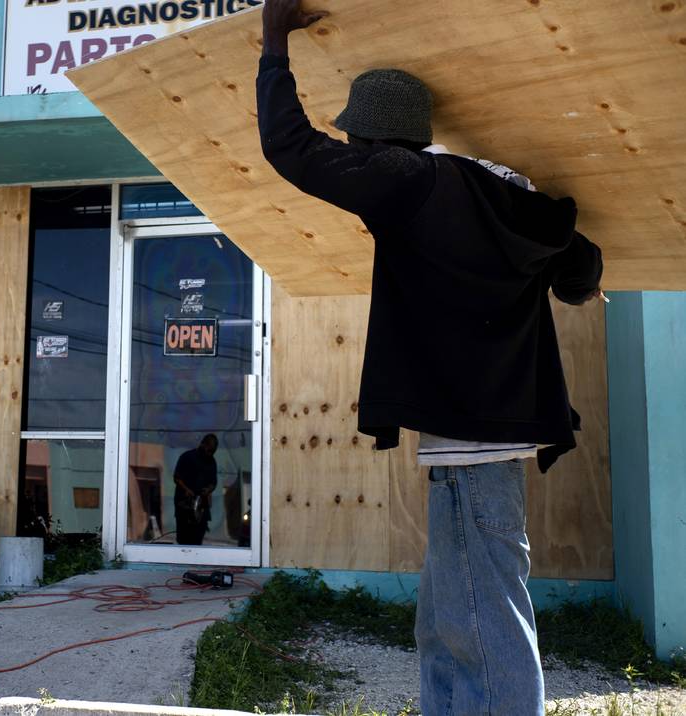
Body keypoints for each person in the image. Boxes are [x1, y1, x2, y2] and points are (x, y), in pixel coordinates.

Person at [256, 2, 604, 713]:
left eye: (357, 135)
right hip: (484, 437)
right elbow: (581, 274)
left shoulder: (405, 178)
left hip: (470, 440)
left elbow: (291, 148)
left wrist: (273, 37)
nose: (351, 146)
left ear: (380, 138)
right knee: (449, 619)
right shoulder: (505, 191)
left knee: (484, 614)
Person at [172, 434, 218, 545]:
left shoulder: (212, 462)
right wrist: (187, 490)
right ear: (202, 444)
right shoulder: (187, 457)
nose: (210, 454)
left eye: (213, 451)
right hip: (185, 506)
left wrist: (208, 490)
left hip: (201, 508)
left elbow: (213, 482)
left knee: (197, 541)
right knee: (183, 541)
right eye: (209, 450)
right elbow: (177, 478)